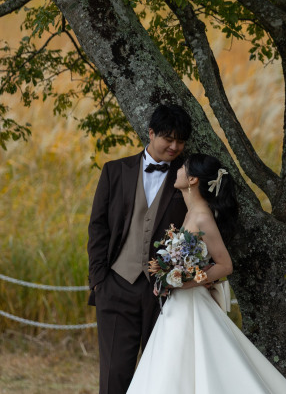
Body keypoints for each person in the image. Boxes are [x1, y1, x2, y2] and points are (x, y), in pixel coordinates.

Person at [125, 153, 286, 394]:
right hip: (178, 303)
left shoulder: (203, 217)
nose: (177, 170)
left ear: (193, 179)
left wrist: (185, 282)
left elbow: (225, 265)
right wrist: (170, 278)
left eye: (183, 167)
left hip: (190, 301)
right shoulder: (190, 214)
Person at [87, 103, 192, 394]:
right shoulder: (114, 171)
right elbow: (98, 227)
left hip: (163, 294)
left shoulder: (186, 181)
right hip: (115, 286)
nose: (174, 146)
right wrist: (99, 280)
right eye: (168, 138)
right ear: (150, 133)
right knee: (113, 378)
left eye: (180, 141)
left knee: (160, 380)